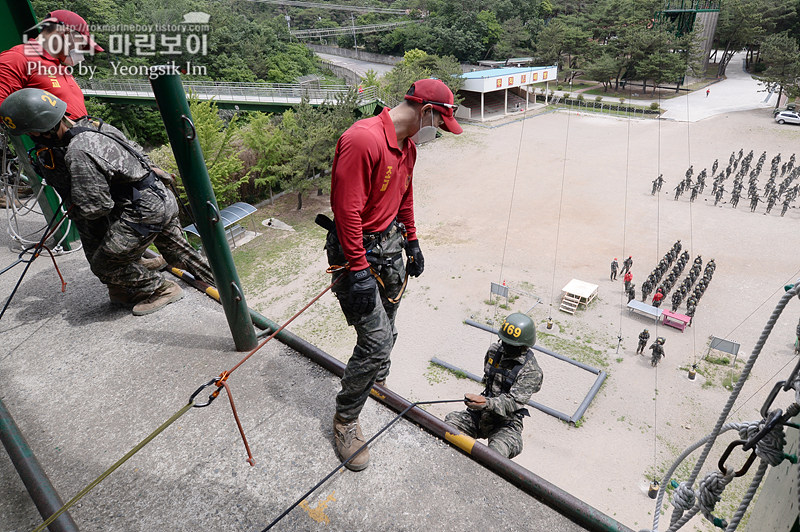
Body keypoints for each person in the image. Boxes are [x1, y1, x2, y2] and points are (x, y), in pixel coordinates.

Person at [325, 78, 462, 471]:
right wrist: (358, 269)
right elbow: (347, 211)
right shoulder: (363, 140)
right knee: (376, 341)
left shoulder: (409, 148)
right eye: (440, 120)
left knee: (390, 324)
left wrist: (413, 241)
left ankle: (375, 382)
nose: (439, 127)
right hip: (357, 251)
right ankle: (346, 419)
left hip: (390, 247)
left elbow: (405, 194)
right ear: (426, 111)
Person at [0, 88, 214, 315]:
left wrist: (77, 203)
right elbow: (136, 151)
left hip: (140, 211)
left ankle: (161, 289)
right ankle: (229, 290)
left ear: (40, 131)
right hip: (158, 197)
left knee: (105, 263)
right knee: (179, 254)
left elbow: (96, 208)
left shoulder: (78, 153)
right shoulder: (95, 125)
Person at [0, 9, 103, 209]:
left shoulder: (59, 66)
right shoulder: (17, 59)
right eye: (81, 45)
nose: (82, 52)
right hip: (63, 156)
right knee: (90, 212)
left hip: (89, 150)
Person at [445, 313, 543, 459]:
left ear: (523, 346)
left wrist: (486, 403)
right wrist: (478, 402)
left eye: (511, 345)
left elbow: (513, 402)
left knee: (495, 456)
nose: (506, 347)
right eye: (504, 342)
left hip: (506, 422)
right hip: (481, 413)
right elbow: (488, 378)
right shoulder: (494, 351)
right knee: (449, 427)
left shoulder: (531, 372)